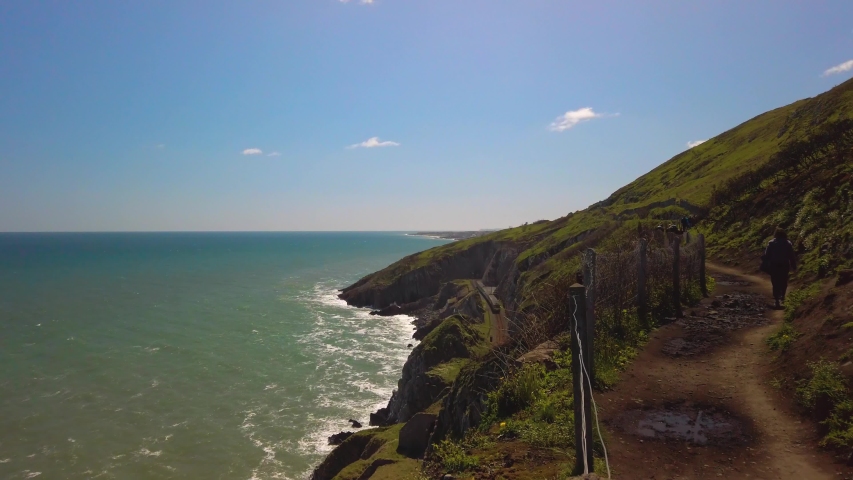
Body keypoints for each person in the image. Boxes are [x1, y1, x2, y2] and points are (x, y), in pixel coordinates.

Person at [762, 227, 797, 309]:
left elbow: (767, 255)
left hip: (774, 265)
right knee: (783, 280)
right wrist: (793, 265)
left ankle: (777, 300)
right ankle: (783, 296)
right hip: (784, 265)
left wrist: (765, 263)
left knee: (775, 281)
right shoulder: (788, 243)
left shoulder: (771, 243)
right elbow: (791, 256)